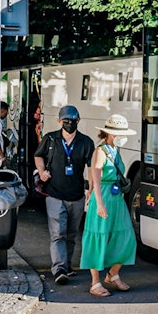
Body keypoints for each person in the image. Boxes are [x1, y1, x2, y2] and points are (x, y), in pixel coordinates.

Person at [34, 105, 95, 285]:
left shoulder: (86, 142)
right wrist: (42, 171)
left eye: (73, 120)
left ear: (79, 121)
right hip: (54, 194)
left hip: (76, 195)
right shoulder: (50, 138)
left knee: (71, 234)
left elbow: (91, 167)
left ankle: (67, 265)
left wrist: (91, 189)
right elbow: (38, 156)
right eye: (66, 121)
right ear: (59, 121)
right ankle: (59, 268)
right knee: (57, 233)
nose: (70, 124)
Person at [80, 114, 138, 296]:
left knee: (127, 238)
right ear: (110, 133)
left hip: (116, 198)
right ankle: (95, 282)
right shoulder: (100, 151)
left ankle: (113, 274)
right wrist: (98, 202)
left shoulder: (116, 149)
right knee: (98, 237)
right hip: (103, 196)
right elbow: (95, 178)